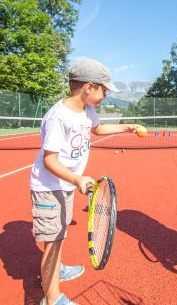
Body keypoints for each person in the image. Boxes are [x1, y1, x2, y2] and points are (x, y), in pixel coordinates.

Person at [30, 58, 144, 305]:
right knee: (53, 243)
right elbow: (50, 160)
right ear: (89, 87)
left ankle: (56, 271)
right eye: (104, 90)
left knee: (58, 235)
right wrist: (77, 178)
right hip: (49, 188)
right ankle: (52, 299)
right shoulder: (58, 117)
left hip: (65, 186)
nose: (106, 95)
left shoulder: (87, 111)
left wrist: (128, 127)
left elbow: (98, 130)